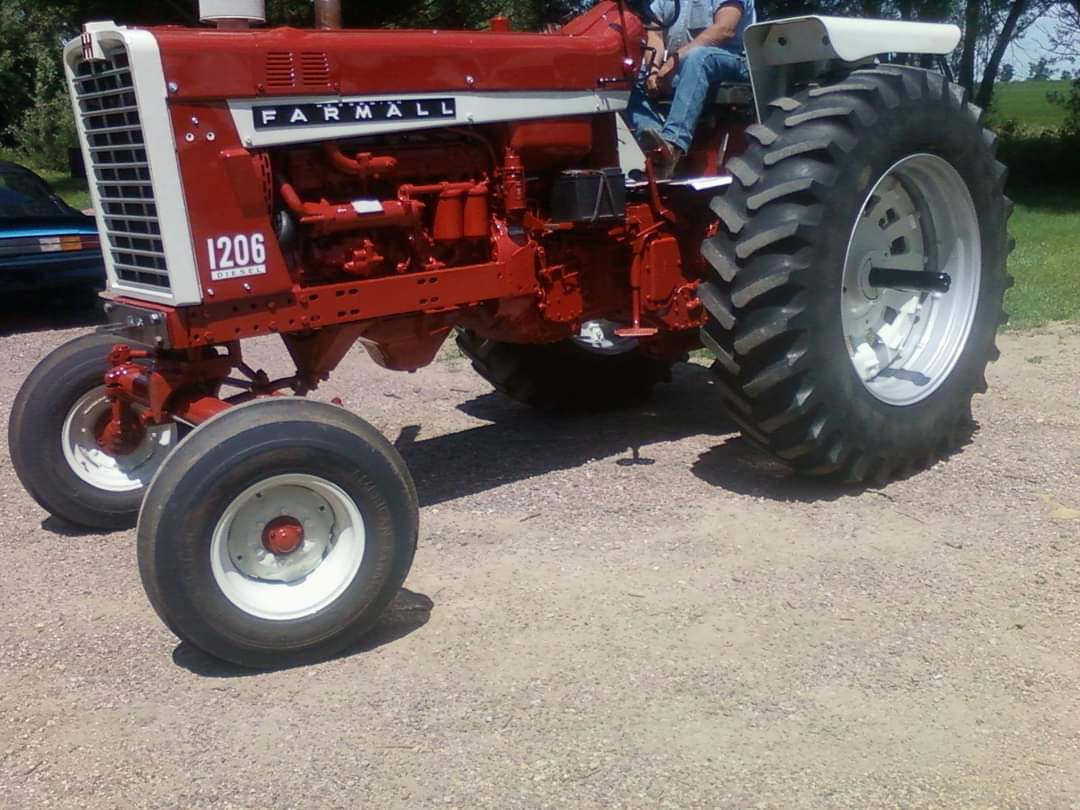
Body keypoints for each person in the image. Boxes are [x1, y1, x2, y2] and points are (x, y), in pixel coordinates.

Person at [627, 0, 756, 178]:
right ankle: (657, 144)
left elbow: (724, 29)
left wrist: (674, 60)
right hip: (682, 66)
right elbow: (655, 35)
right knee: (629, 73)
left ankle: (673, 144)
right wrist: (654, 69)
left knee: (698, 57)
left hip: (732, 62)